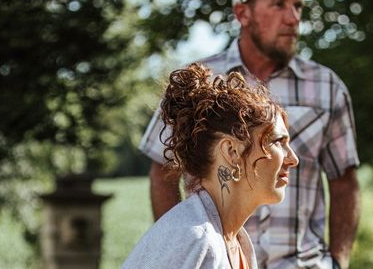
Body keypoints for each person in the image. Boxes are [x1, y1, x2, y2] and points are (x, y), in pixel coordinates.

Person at [140, 0, 361, 268]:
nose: (293, 17)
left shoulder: (327, 87)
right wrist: (183, 250)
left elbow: (344, 182)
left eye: (298, 6)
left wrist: (339, 262)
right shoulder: (199, 84)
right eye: (279, 4)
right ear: (243, 13)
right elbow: (163, 171)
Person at [123, 63, 298, 268]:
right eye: (277, 141)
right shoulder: (193, 239)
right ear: (231, 152)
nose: (293, 159)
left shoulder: (235, 240)